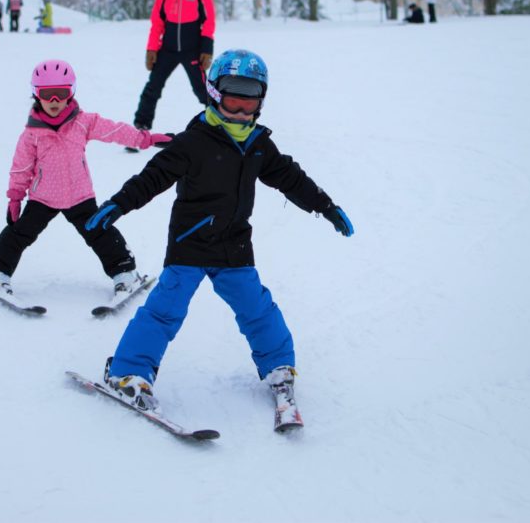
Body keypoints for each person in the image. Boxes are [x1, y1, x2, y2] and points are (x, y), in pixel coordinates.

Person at [85, 49, 354, 417]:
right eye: (233, 102)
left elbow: (290, 177)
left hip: (234, 245)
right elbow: (153, 178)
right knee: (165, 310)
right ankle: (128, 373)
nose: (241, 113)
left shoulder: (258, 143)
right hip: (190, 244)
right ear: (213, 93)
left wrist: (326, 206)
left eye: (250, 104)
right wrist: (119, 204)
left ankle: (278, 365)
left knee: (256, 308)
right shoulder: (192, 142)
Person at [0, 60, 174, 302]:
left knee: (100, 232)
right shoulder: (31, 134)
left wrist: (146, 139)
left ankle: (125, 274)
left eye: (61, 94)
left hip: (79, 196)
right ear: (36, 94)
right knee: (19, 234)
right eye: (47, 95)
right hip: (43, 197)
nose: (54, 101)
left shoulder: (83, 122)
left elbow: (115, 131)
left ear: (71, 92)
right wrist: (15, 196)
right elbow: (21, 168)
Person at [131, 0, 216, 140]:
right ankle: (141, 126)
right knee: (153, 87)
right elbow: (157, 22)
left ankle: (219, 125)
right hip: (167, 49)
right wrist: (151, 49)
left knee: (202, 89)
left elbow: (209, 20)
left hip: (192, 49)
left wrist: (206, 49)